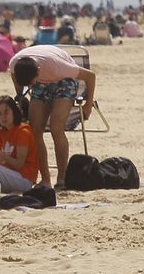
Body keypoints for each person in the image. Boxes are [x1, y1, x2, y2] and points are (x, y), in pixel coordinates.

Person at [9, 45, 96, 189]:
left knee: (56, 128)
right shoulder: (14, 64)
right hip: (41, 82)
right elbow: (14, 75)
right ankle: (45, 180)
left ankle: (61, 178)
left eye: (31, 83)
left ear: (38, 72)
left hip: (64, 81)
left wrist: (88, 104)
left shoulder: (59, 67)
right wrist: (20, 95)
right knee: (35, 131)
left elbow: (90, 76)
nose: (30, 86)